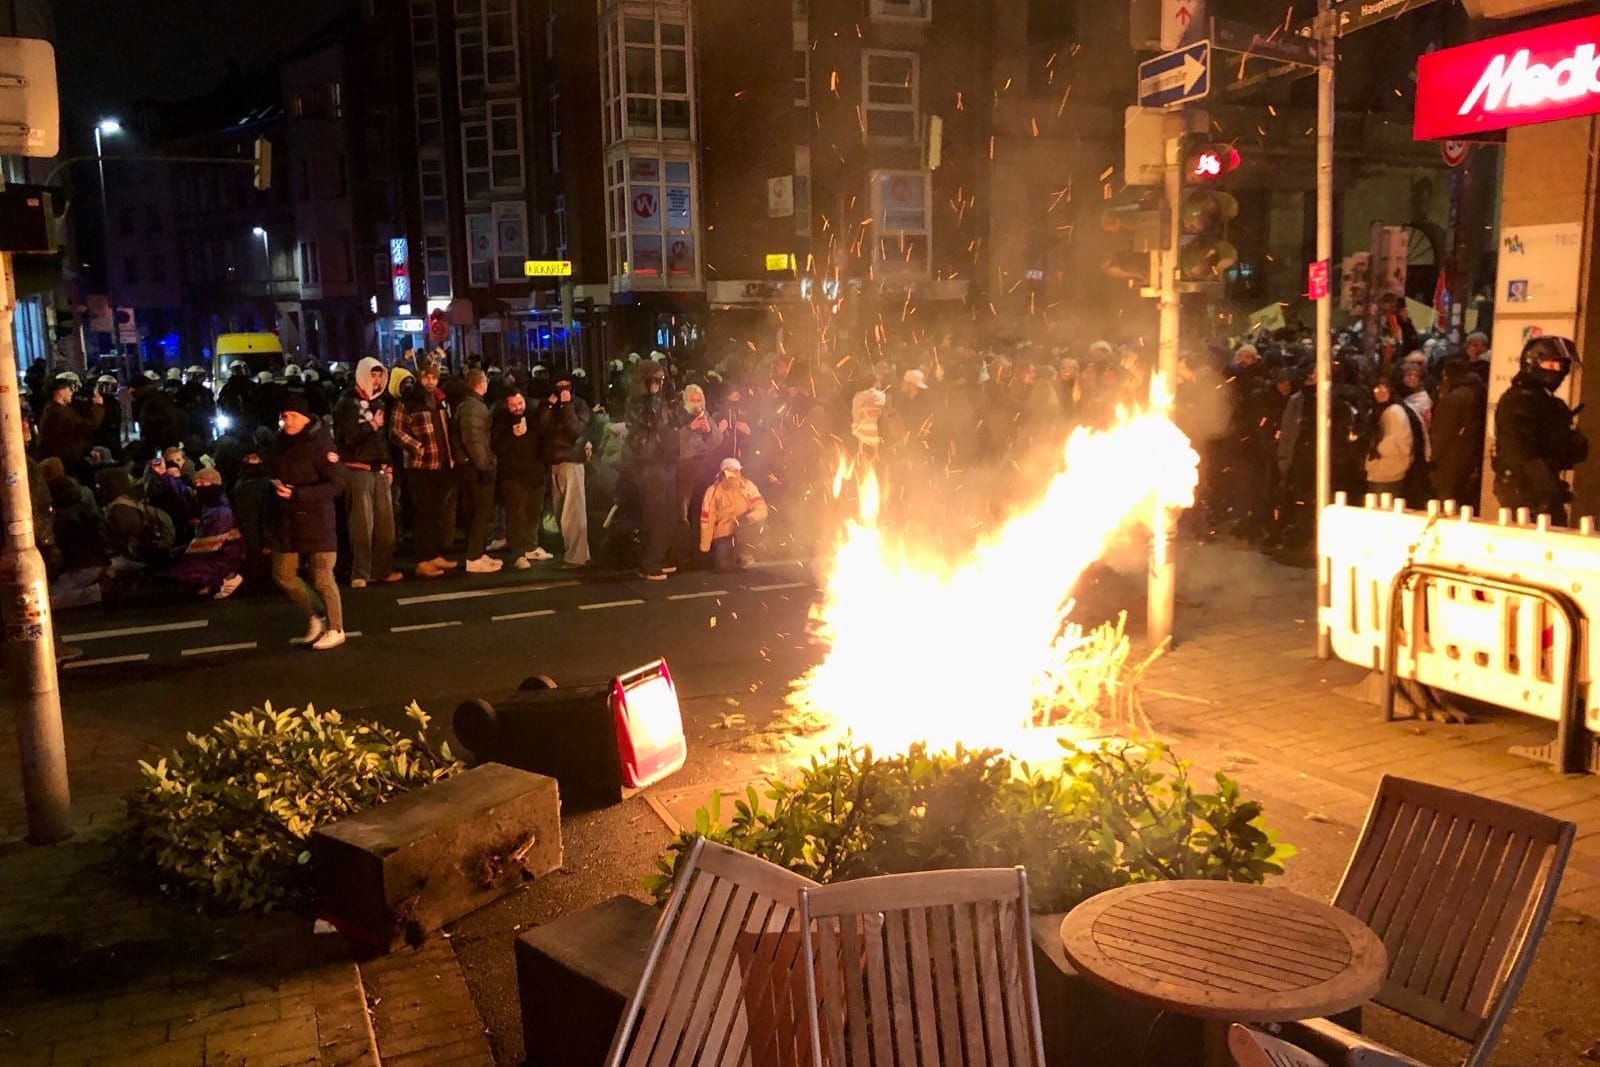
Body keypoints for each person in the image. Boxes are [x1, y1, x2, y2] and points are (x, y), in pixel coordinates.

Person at [268, 392, 347, 650]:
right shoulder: (280, 442)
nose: (287, 421)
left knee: (322, 576)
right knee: (283, 573)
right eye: (283, 416)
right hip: (288, 519)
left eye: (291, 416)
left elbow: (336, 484)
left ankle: (336, 628)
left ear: (304, 418)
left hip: (317, 518)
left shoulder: (321, 444)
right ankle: (316, 615)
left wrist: (298, 494)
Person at [1493, 336, 1588, 525]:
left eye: (1561, 367)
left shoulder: (1548, 401)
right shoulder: (1519, 400)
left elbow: (1570, 450)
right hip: (1526, 494)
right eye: (1550, 365)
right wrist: (1548, 490)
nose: (1557, 372)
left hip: (1541, 491)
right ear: (1533, 363)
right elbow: (1520, 453)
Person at [334, 357, 403, 587]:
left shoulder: (379, 403)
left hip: (379, 468)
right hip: (358, 468)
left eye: (379, 375)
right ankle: (360, 572)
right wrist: (371, 425)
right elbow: (348, 436)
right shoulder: (348, 402)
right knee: (362, 525)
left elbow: (382, 440)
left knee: (386, 524)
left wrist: (388, 463)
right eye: (373, 374)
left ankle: (382, 569)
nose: (377, 380)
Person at [391, 360, 460, 578]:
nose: (430, 381)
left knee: (437, 513)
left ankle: (434, 554)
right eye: (426, 377)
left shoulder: (440, 400)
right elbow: (396, 430)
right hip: (420, 466)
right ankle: (422, 559)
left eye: (434, 377)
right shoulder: (409, 401)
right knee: (423, 515)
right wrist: (416, 447)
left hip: (441, 462)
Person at [626, 361, 676, 579]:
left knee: (664, 514)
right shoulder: (638, 402)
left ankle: (657, 555)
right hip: (649, 463)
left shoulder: (657, 401)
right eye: (656, 379)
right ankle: (649, 563)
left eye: (662, 379)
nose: (660, 384)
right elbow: (651, 423)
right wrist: (654, 397)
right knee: (653, 514)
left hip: (662, 461)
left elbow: (668, 423)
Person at [492, 385, 552, 569]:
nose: (518, 407)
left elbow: (543, 440)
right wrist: (513, 435)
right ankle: (517, 554)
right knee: (516, 515)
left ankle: (530, 546)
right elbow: (497, 447)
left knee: (534, 513)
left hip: (535, 474)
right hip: (513, 477)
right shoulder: (501, 421)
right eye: (513, 405)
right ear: (506, 405)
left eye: (520, 403)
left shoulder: (533, 417)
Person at [168, 467, 245, 600]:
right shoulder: (210, 504)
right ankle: (213, 581)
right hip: (219, 552)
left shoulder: (221, 509)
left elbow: (210, 543)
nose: (199, 487)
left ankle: (226, 579)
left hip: (225, 555)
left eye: (203, 483)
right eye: (197, 484)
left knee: (180, 571)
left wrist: (179, 551)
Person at [541, 372, 593, 568]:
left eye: (566, 384)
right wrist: (549, 406)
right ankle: (578, 552)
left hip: (572, 460)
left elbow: (575, 430)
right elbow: (542, 427)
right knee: (560, 511)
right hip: (553, 460)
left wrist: (566, 406)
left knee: (573, 512)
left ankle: (576, 556)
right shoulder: (549, 404)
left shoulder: (578, 404)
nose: (562, 388)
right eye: (559, 384)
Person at [454, 368, 501, 573]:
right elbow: (474, 439)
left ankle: (478, 553)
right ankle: (474, 557)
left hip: (473, 466)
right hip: (476, 468)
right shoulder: (473, 407)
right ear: (481, 383)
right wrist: (486, 465)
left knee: (478, 511)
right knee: (479, 511)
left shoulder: (470, 404)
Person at [675, 383, 726, 567]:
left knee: (701, 512)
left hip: (703, 470)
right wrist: (689, 428)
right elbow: (677, 445)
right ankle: (682, 554)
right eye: (693, 400)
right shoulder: (680, 417)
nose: (696, 404)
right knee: (683, 515)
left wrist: (709, 430)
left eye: (699, 400)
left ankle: (700, 553)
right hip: (684, 471)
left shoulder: (705, 417)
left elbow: (718, 440)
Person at [1430, 354, 1487, 509]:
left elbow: (1442, 431)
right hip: (1469, 457)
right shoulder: (1479, 390)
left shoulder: (1456, 397)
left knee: (1448, 503)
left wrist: (1432, 457)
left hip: (1452, 459)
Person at [698, 457, 768, 571]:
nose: (737, 474)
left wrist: (749, 518)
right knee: (724, 567)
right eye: (733, 471)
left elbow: (761, 508)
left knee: (760, 524)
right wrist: (705, 547)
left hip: (743, 529)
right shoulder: (713, 491)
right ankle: (728, 556)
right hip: (724, 534)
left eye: (738, 471)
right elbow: (707, 521)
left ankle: (746, 553)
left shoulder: (747, 486)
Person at [1366, 380, 1427, 506]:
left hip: (1389, 469)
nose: (1380, 394)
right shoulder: (1379, 411)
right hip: (1382, 468)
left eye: (1384, 390)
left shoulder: (1395, 411)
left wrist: (1379, 448)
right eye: (1377, 391)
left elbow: (1404, 443)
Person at [37, 375, 105, 478]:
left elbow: (75, 433)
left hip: (71, 459)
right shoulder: (57, 412)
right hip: (66, 464)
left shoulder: (64, 409)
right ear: (60, 391)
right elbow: (88, 425)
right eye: (69, 389)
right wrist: (98, 407)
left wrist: (88, 449)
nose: (71, 392)